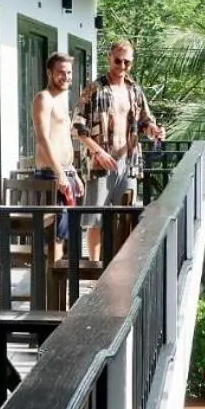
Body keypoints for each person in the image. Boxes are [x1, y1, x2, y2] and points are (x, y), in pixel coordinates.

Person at [74, 39, 164, 259]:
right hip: (100, 163)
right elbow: (77, 128)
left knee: (126, 217)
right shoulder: (94, 89)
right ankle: (95, 269)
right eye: (118, 60)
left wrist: (154, 130)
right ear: (109, 58)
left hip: (129, 161)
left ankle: (120, 268)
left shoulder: (134, 90)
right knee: (96, 219)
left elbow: (145, 121)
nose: (122, 66)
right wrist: (98, 152)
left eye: (127, 62)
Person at [31, 51, 82, 253]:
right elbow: (43, 138)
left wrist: (73, 173)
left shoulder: (61, 100)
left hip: (64, 173)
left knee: (66, 234)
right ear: (49, 73)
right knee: (55, 237)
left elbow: (62, 139)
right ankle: (48, 284)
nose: (66, 77)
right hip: (51, 176)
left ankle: (64, 284)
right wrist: (61, 174)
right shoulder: (43, 99)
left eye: (69, 73)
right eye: (61, 72)